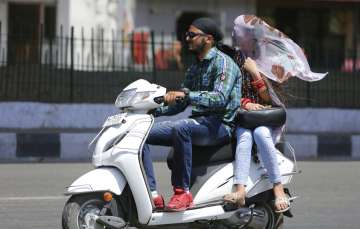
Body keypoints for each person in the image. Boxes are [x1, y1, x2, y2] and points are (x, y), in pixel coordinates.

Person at [223, 15, 327, 213]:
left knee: (261, 134)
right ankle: (240, 190)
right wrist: (246, 104)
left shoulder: (266, 59)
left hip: (264, 115)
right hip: (242, 114)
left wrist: (255, 73)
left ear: (251, 35)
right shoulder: (233, 58)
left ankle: (278, 190)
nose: (235, 34)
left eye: (240, 31)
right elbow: (230, 91)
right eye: (235, 30)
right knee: (244, 136)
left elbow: (269, 98)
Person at [142, 17, 241, 211]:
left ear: (208, 39)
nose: (187, 38)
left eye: (192, 35)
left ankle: (183, 193)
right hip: (199, 124)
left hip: (220, 126)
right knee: (140, 133)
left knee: (182, 127)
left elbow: (220, 98)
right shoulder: (195, 67)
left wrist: (187, 94)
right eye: (186, 34)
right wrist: (151, 111)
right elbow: (180, 103)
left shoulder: (223, 64)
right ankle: (151, 193)